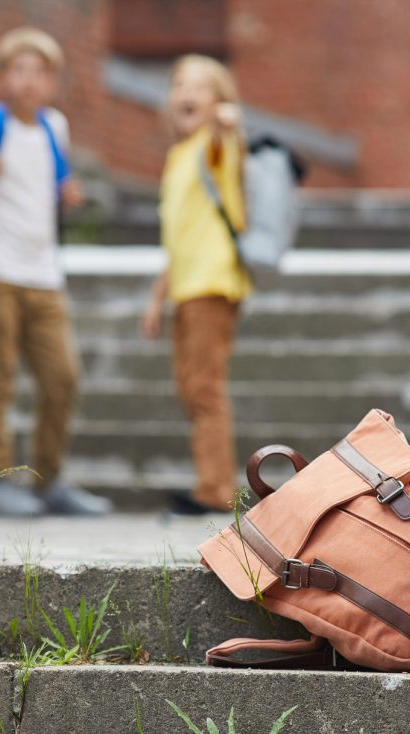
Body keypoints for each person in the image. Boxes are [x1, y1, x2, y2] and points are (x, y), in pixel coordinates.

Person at [0, 27, 110, 517]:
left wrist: (67, 192)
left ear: (52, 83)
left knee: (62, 377)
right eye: (19, 70)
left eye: (40, 72)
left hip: (45, 275)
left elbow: (53, 178)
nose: (29, 81)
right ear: (3, 77)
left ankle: (50, 479)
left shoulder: (55, 127)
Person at [141, 54, 249, 516]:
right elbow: (178, 236)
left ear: (218, 100)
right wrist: (157, 297)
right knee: (191, 388)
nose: (186, 93)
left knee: (204, 388)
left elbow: (229, 137)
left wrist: (227, 122)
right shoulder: (177, 155)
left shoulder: (213, 146)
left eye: (201, 87)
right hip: (185, 286)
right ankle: (211, 482)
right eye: (179, 84)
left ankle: (215, 489)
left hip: (212, 282)